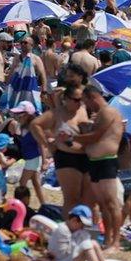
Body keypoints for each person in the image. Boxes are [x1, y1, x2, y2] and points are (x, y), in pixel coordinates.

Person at [69, 84, 124, 251]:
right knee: (102, 204)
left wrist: (73, 137)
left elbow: (96, 136)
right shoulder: (100, 114)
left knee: (111, 203)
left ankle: (116, 241)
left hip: (106, 161)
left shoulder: (108, 112)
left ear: (92, 97)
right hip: (96, 161)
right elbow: (94, 134)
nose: (86, 106)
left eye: (86, 101)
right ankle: (108, 239)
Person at [30, 84, 90, 217]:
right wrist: (47, 145)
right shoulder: (57, 114)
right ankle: (68, 229)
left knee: (85, 198)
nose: (79, 102)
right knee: (71, 198)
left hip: (85, 157)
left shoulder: (83, 109)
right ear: (67, 99)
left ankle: (80, 227)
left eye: (81, 99)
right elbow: (35, 125)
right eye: (76, 100)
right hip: (66, 157)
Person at [46, 204, 111, 261]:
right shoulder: (62, 230)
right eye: (82, 224)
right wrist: (81, 244)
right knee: (86, 245)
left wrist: (83, 237)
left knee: (93, 243)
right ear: (74, 220)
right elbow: (62, 254)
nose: (83, 227)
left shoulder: (76, 230)